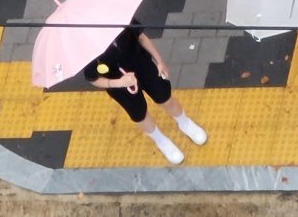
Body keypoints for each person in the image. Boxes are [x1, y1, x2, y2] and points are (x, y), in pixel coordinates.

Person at [83, 19, 207, 164]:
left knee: (165, 97)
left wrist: (159, 60)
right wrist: (118, 83)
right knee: (139, 113)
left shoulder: (120, 17)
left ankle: (184, 122)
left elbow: (141, 37)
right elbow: (93, 78)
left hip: (144, 66)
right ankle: (161, 141)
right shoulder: (85, 48)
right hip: (122, 87)